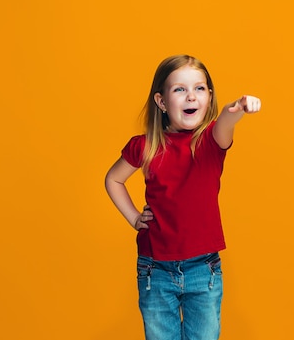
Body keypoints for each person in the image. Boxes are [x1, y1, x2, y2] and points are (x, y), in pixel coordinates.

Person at [105, 54, 261, 340]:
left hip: (203, 269)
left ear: (209, 97)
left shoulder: (211, 142)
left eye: (199, 89)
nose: (191, 96)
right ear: (162, 102)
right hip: (155, 269)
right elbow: (114, 179)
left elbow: (226, 120)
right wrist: (134, 218)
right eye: (180, 89)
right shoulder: (145, 146)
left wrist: (238, 107)